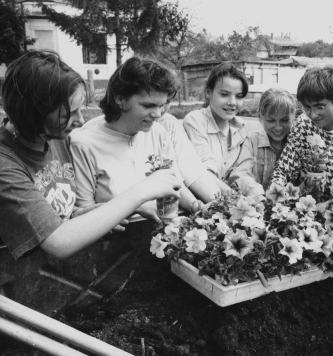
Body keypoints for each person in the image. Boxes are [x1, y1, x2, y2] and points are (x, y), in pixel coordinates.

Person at [0, 50, 182, 261]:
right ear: (33, 112)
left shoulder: (54, 136)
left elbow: (57, 215)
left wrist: (81, 215)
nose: (79, 121)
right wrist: (141, 192)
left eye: (80, 109)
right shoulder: (6, 164)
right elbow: (58, 242)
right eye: (67, 114)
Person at [70, 57, 200, 222]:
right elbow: (84, 214)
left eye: (161, 105)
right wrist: (133, 207)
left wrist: (195, 206)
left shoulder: (158, 132)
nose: (158, 114)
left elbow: (174, 184)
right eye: (148, 106)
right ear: (120, 99)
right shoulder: (83, 144)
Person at [271, 65, 333, 199]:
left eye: (320, 107)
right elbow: (284, 169)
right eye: (307, 107)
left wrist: (329, 206)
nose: (313, 115)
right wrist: (277, 193)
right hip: (304, 208)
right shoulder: (303, 123)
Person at [183, 62, 249, 193]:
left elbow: (242, 171)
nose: (232, 102)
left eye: (239, 96)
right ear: (208, 93)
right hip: (202, 200)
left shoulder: (241, 127)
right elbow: (204, 174)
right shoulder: (195, 121)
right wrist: (238, 200)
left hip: (230, 201)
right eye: (224, 94)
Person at [229, 87, 297, 192]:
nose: (278, 127)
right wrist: (259, 195)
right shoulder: (251, 141)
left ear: (293, 117)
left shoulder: (299, 142)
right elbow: (240, 174)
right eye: (271, 120)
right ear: (260, 117)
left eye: (285, 120)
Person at [156, 96, 222, 202]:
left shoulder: (166, 123)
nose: (158, 112)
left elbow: (191, 169)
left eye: (166, 102)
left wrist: (220, 203)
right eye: (148, 105)